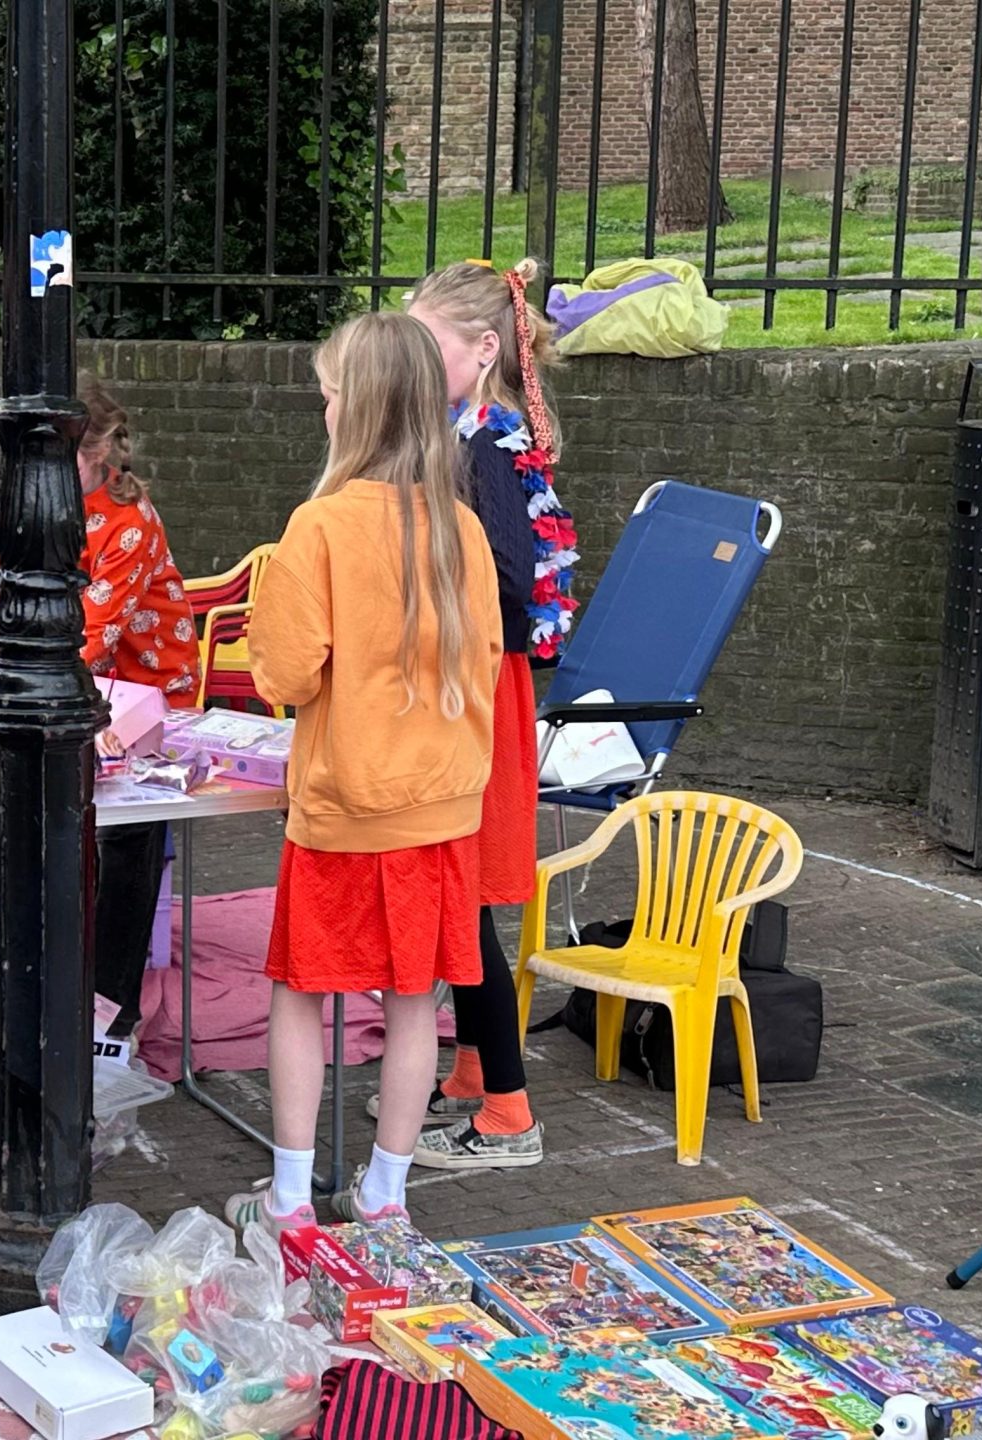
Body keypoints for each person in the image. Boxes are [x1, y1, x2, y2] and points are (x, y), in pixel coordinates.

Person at [220, 310, 500, 1233]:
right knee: (415, 1003)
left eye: (330, 393)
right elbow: (489, 659)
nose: (323, 409)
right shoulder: (463, 525)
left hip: (346, 806)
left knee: (302, 995)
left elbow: (287, 673)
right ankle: (387, 1196)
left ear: (360, 408)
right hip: (444, 806)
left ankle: (292, 1200)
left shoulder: (322, 525)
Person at [0, 379, 199, 1039]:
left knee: (128, 834)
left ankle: (113, 1005)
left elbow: (91, 630)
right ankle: (48, 981)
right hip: (61, 688)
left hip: (144, 694)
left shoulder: (132, 519)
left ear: (100, 454)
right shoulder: (31, 506)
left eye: (67, 461)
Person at [402, 258, 572, 1173]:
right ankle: (471, 1071)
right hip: (477, 684)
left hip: (481, 690)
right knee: (461, 901)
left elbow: (508, 594)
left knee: (463, 905)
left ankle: (509, 1113)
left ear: (480, 350)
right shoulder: (474, 436)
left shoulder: (485, 450)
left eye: (426, 348)